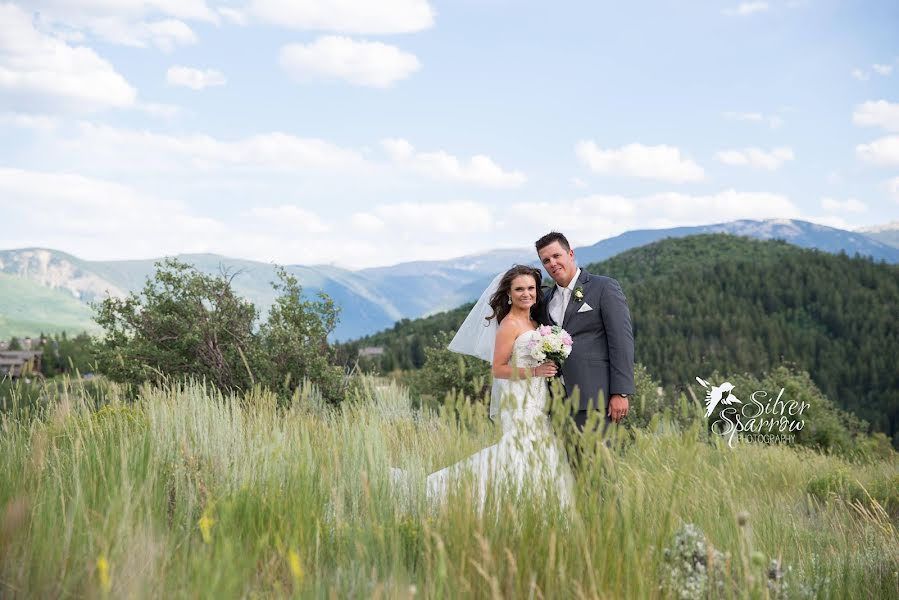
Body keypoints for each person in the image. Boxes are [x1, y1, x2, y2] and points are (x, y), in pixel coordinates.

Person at [391, 265, 576, 512]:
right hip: (518, 399)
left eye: (530, 288)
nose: (526, 294)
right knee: (518, 450)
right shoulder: (509, 325)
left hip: (538, 397)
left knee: (543, 449)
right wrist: (534, 372)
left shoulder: (534, 322)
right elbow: (498, 369)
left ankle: (539, 508)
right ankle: (473, 497)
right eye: (519, 289)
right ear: (509, 293)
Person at [535, 231, 635, 466]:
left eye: (556, 256)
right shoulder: (545, 299)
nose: (552, 263)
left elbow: (621, 342)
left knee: (600, 470)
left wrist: (621, 392)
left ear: (570, 254)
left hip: (596, 398)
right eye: (545, 261)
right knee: (572, 472)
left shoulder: (604, 288)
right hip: (557, 403)